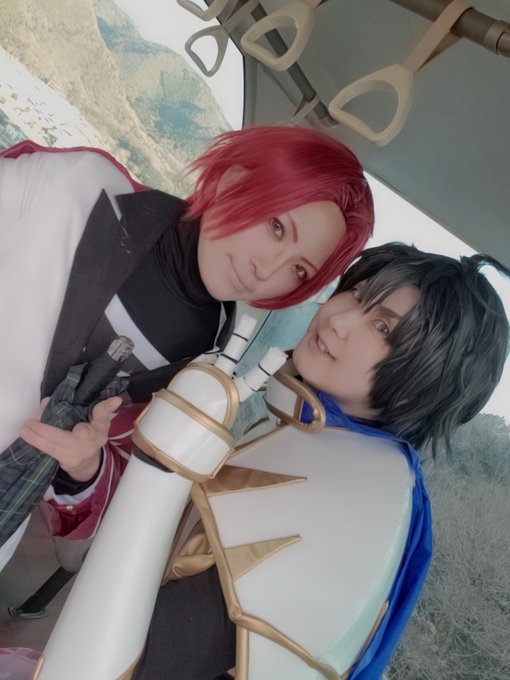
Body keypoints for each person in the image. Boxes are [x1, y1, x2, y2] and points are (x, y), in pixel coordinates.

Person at [28, 243, 509, 678]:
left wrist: (162, 467)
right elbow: (121, 559)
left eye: (383, 328)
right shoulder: (308, 442)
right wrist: (89, 470)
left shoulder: (355, 501)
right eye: (357, 294)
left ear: (422, 384)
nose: (339, 319)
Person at [0, 126, 374, 569]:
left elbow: (110, 498)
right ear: (233, 180)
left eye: (299, 269)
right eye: (276, 227)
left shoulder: (202, 377)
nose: (266, 270)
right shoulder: (82, 185)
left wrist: (83, 465)